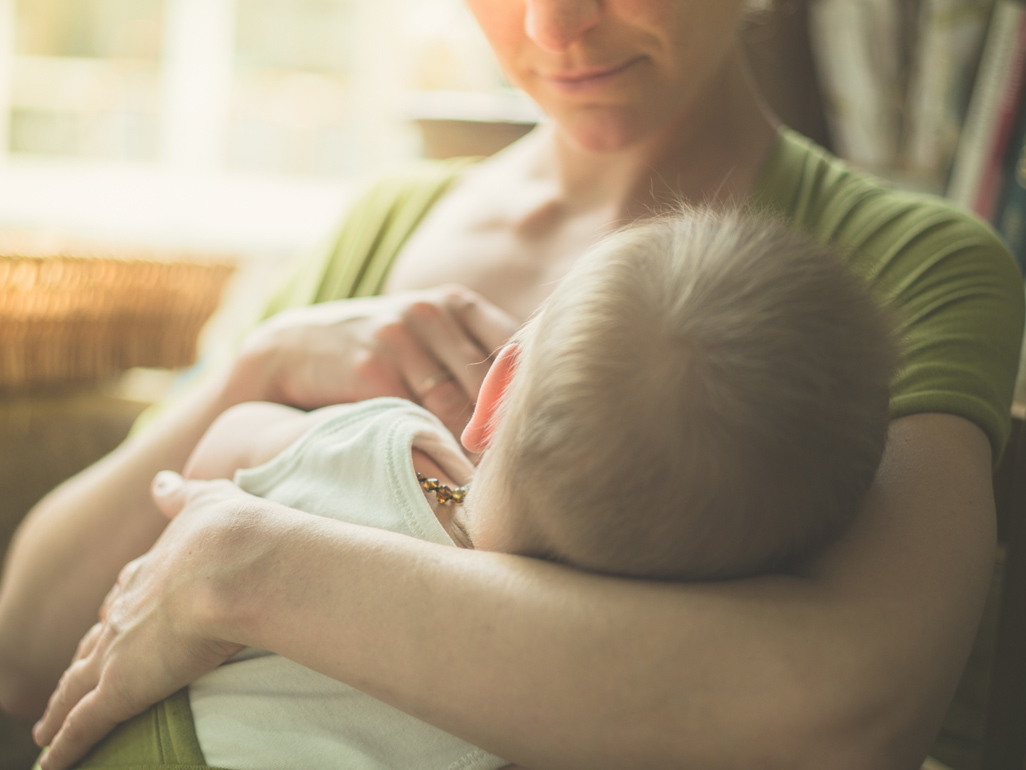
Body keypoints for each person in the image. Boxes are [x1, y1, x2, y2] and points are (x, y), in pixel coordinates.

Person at [1, 1, 1022, 768]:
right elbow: (27, 648)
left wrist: (252, 566)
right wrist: (250, 372)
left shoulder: (906, 268)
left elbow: (851, 708)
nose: (554, 25)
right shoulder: (381, 227)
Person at [47, 208, 897, 770]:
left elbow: (221, 452)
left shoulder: (373, 447)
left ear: (494, 393)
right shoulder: (606, 698)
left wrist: (257, 400)